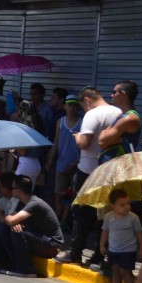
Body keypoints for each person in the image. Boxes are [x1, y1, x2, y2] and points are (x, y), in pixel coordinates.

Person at [55, 87, 122, 269]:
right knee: (104, 214)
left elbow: (84, 144)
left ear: (86, 100)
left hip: (88, 170)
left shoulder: (92, 115)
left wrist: (77, 137)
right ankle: (98, 256)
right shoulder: (117, 112)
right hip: (109, 170)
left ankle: (75, 253)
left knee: (81, 213)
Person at [0, 174, 64, 277]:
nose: (11, 189)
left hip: (51, 245)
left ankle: (26, 270)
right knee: (3, 229)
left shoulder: (34, 203)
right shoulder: (22, 202)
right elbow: (12, 218)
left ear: (18, 191)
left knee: (16, 231)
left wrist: (13, 221)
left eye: (13, 187)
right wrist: (14, 221)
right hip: (39, 238)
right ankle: (14, 264)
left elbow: (11, 219)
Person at [99, 189, 142, 283]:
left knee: (126, 273)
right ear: (113, 206)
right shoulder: (108, 217)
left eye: (128, 204)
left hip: (128, 251)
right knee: (115, 272)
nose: (127, 207)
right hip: (113, 250)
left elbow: (139, 234)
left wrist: (141, 249)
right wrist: (102, 244)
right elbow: (105, 231)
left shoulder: (133, 218)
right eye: (122, 205)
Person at [46, 94, 82, 222]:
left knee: (74, 194)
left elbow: (84, 146)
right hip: (61, 163)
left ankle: (67, 221)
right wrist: (51, 159)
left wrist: (76, 163)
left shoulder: (82, 122)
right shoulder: (60, 122)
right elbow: (56, 142)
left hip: (77, 165)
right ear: (64, 106)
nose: (71, 108)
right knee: (59, 193)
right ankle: (57, 218)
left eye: (74, 105)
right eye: (69, 105)